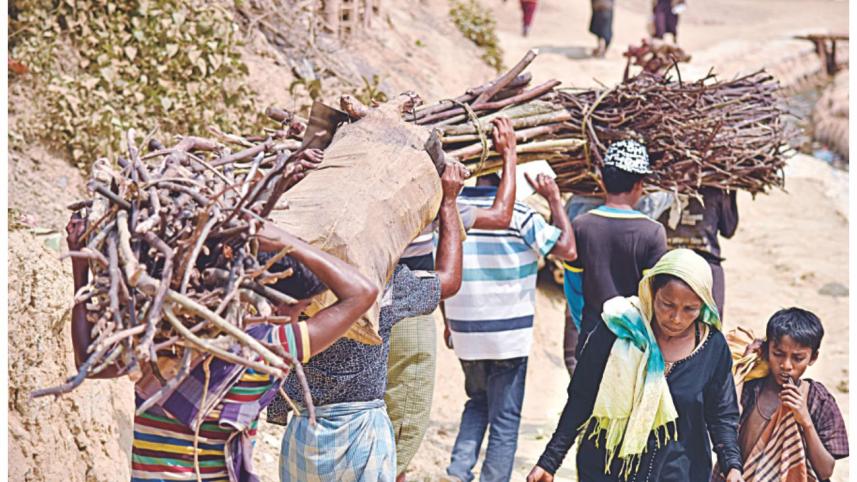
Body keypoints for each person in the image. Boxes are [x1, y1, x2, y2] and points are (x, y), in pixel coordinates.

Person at [65, 167, 379, 481]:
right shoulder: (270, 349)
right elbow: (363, 292)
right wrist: (285, 241)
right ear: (286, 303)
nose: (301, 317)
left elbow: (87, 363)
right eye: (302, 309)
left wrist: (80, 268)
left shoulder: (166, 333)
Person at [277, 161, 469, 482]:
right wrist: (449, 202)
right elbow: (449, 280)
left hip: (303, 434)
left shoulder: (291, 278)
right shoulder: (381, 286)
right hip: (360, 437)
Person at [528, 249, 744, 482]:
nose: (676, 318)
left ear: (703, 306)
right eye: (667, 304)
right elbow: (582, 397)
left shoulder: (712, 347)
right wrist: (549, 461)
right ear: (650, 293)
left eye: (689, 309)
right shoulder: (617, 330)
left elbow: (722, 414)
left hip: (679, 472)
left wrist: (732, 465)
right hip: (606, 470)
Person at [386, 117, 518, 482]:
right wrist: (509, 155)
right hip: (408, 316)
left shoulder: (367, 193)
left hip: (357, 310)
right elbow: (501, 215)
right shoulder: (432, 201)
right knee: (401, 424)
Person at [442, 170, 577, 482]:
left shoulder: (452, 208)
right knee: (505, 416)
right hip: (507, 335)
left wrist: (448, 321)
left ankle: (458, 471)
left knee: (477, 401)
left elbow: (443, 266)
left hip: (465, 328)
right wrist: (555, 201)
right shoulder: (520, 213)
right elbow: (568, 250)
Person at [561, 140, 667, 375]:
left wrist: (585, 326)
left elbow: (573, 289)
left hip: (591, 337)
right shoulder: (653, 232)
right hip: (635, 345)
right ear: (639, 184)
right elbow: (656, 296)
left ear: (602, 180)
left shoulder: (580, 226)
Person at [723, 308, 848, 481]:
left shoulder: (818, 400)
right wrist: (742, 370)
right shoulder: (750, 388)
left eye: (798, 358)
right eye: (778, 354)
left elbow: (825, 471)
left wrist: (806, 421)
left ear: (813, 358)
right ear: (766, 351)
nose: (786, 365)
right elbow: (725, 425)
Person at [656, 187, 738, 317]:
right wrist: (731, 192)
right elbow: (728, 229)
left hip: (669, 261)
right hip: (695, 262)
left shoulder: (658, 189)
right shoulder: (715, 191)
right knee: (712, 320)